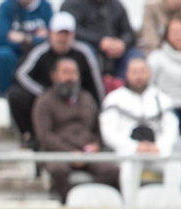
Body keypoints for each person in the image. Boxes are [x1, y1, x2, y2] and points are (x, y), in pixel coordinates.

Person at [9, 12, 105, 142]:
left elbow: (96, 85)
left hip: (76, 101)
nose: (63, 38)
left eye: (67, 34)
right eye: (59, 33)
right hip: (45, 102)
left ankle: (92, 138)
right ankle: (30, 136)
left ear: (73, 35)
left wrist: (98, 108)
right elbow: (20, 75)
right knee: (16, 95)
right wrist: (44, 92)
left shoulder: (84, 52)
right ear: (51, 33)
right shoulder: (40, 51)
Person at [102, 56, 181, 208]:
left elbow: (172, 127)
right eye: (134, 72)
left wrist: (159, 146)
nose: (138, 76)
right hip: (127, 153)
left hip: (156, 151)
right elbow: (109, 132)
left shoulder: (161, 97)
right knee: (129, 167)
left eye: (142, 71)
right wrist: (134, 147)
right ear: (126, 74)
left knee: (175, 164)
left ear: (149, 73)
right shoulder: (114, 98)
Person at [33, 57, 122, 197]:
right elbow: (44, 136)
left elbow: (98, 129)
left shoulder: (87, 98)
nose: (70, 77)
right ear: (54, 76)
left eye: (74, 73)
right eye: (65, 73)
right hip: (58, 153)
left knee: (112, 170)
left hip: (88, 151)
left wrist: (96, 145)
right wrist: (70, 152)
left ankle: (90, 201)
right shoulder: (44, 102)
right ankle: (67, 207)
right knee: (58, 170)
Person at [0, 0, 54, 95]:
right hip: (15, 54)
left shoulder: (45, 7)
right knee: (3, 55)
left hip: (36, 54)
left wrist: (25, 38)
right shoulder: (6, 6)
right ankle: (5, 95)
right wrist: (34, 38)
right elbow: (1, 38)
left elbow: (52, 38)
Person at [69, 0, 141, 75]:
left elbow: (128, 32)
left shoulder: (116, 5)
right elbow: (74, 31)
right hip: (89, 47)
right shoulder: (73, 4)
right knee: (87, 51)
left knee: (135, 57)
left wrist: (122, 43)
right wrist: (99, 42)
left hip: (116, 50)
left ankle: (123, 86)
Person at [149, 17, 181, 133]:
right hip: (168, 109)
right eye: (174, 32)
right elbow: (150, 87)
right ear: (166, 35)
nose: (179, 36)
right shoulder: (156, 58)